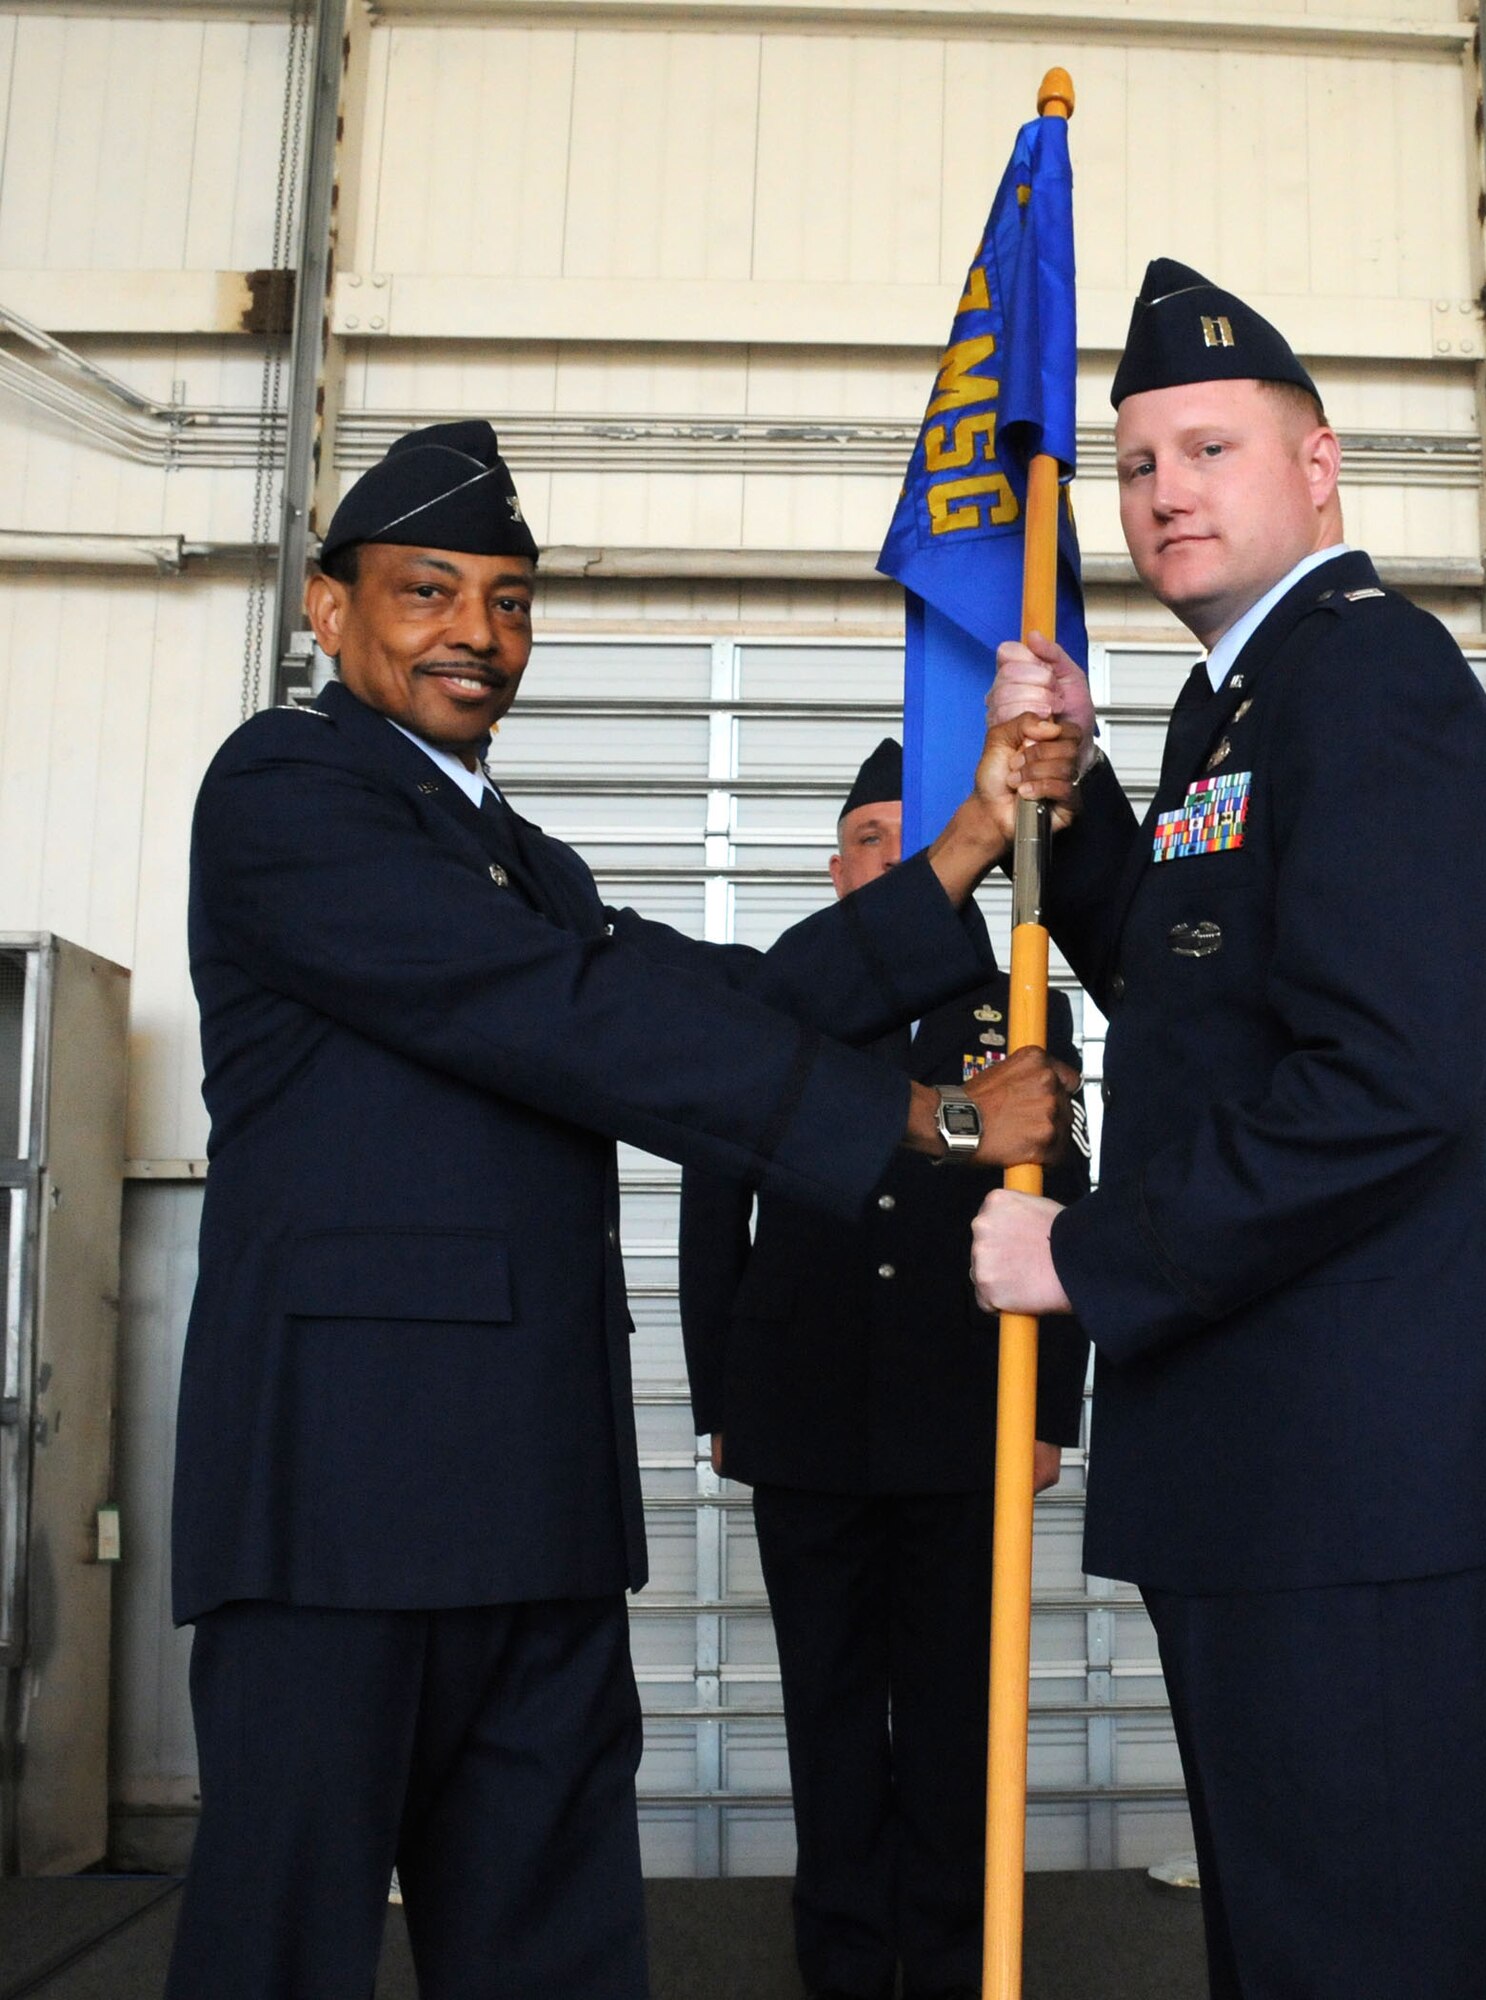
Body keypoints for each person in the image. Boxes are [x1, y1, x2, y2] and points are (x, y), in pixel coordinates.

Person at [166, 420, 1082, 2000]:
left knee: (554, 1945)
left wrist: (967, 848)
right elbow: (573, 1020)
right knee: (282, 1946)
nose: (476, 632)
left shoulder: (529, 865)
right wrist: (928, 1115)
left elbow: (723, 997)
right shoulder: (286, 793)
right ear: (329, 612)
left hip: (535, 1491)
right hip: (342, 1500)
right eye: (427, 591)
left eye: (509, 601)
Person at [970, 263, 1486, 2000]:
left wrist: (1082, 1255)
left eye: (1208, 448)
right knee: (1288, 1926)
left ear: (1316, 467)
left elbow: (1385, 1087)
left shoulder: (1370, 677)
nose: (1164, 490)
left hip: (1351, 1447)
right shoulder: (1236, 706)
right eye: (1135, 464)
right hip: (1271, 1444)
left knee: (1356, 1937)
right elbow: (1192, 997)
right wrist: (1084, 788)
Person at [678, 738, 1092, 2000]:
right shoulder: (776, 993)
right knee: (834, 1716)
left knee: (961, 1719)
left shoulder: (1018, 998)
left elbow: (1069, 1203)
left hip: (966, 1410)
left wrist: (1053, 1408)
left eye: (912, 835)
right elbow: (711, 1210)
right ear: (834, 859)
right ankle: (847, 1967)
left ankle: (961, 1962)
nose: (890, 854)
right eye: (868, 834)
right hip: (801, 1412)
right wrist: (719, 1402)